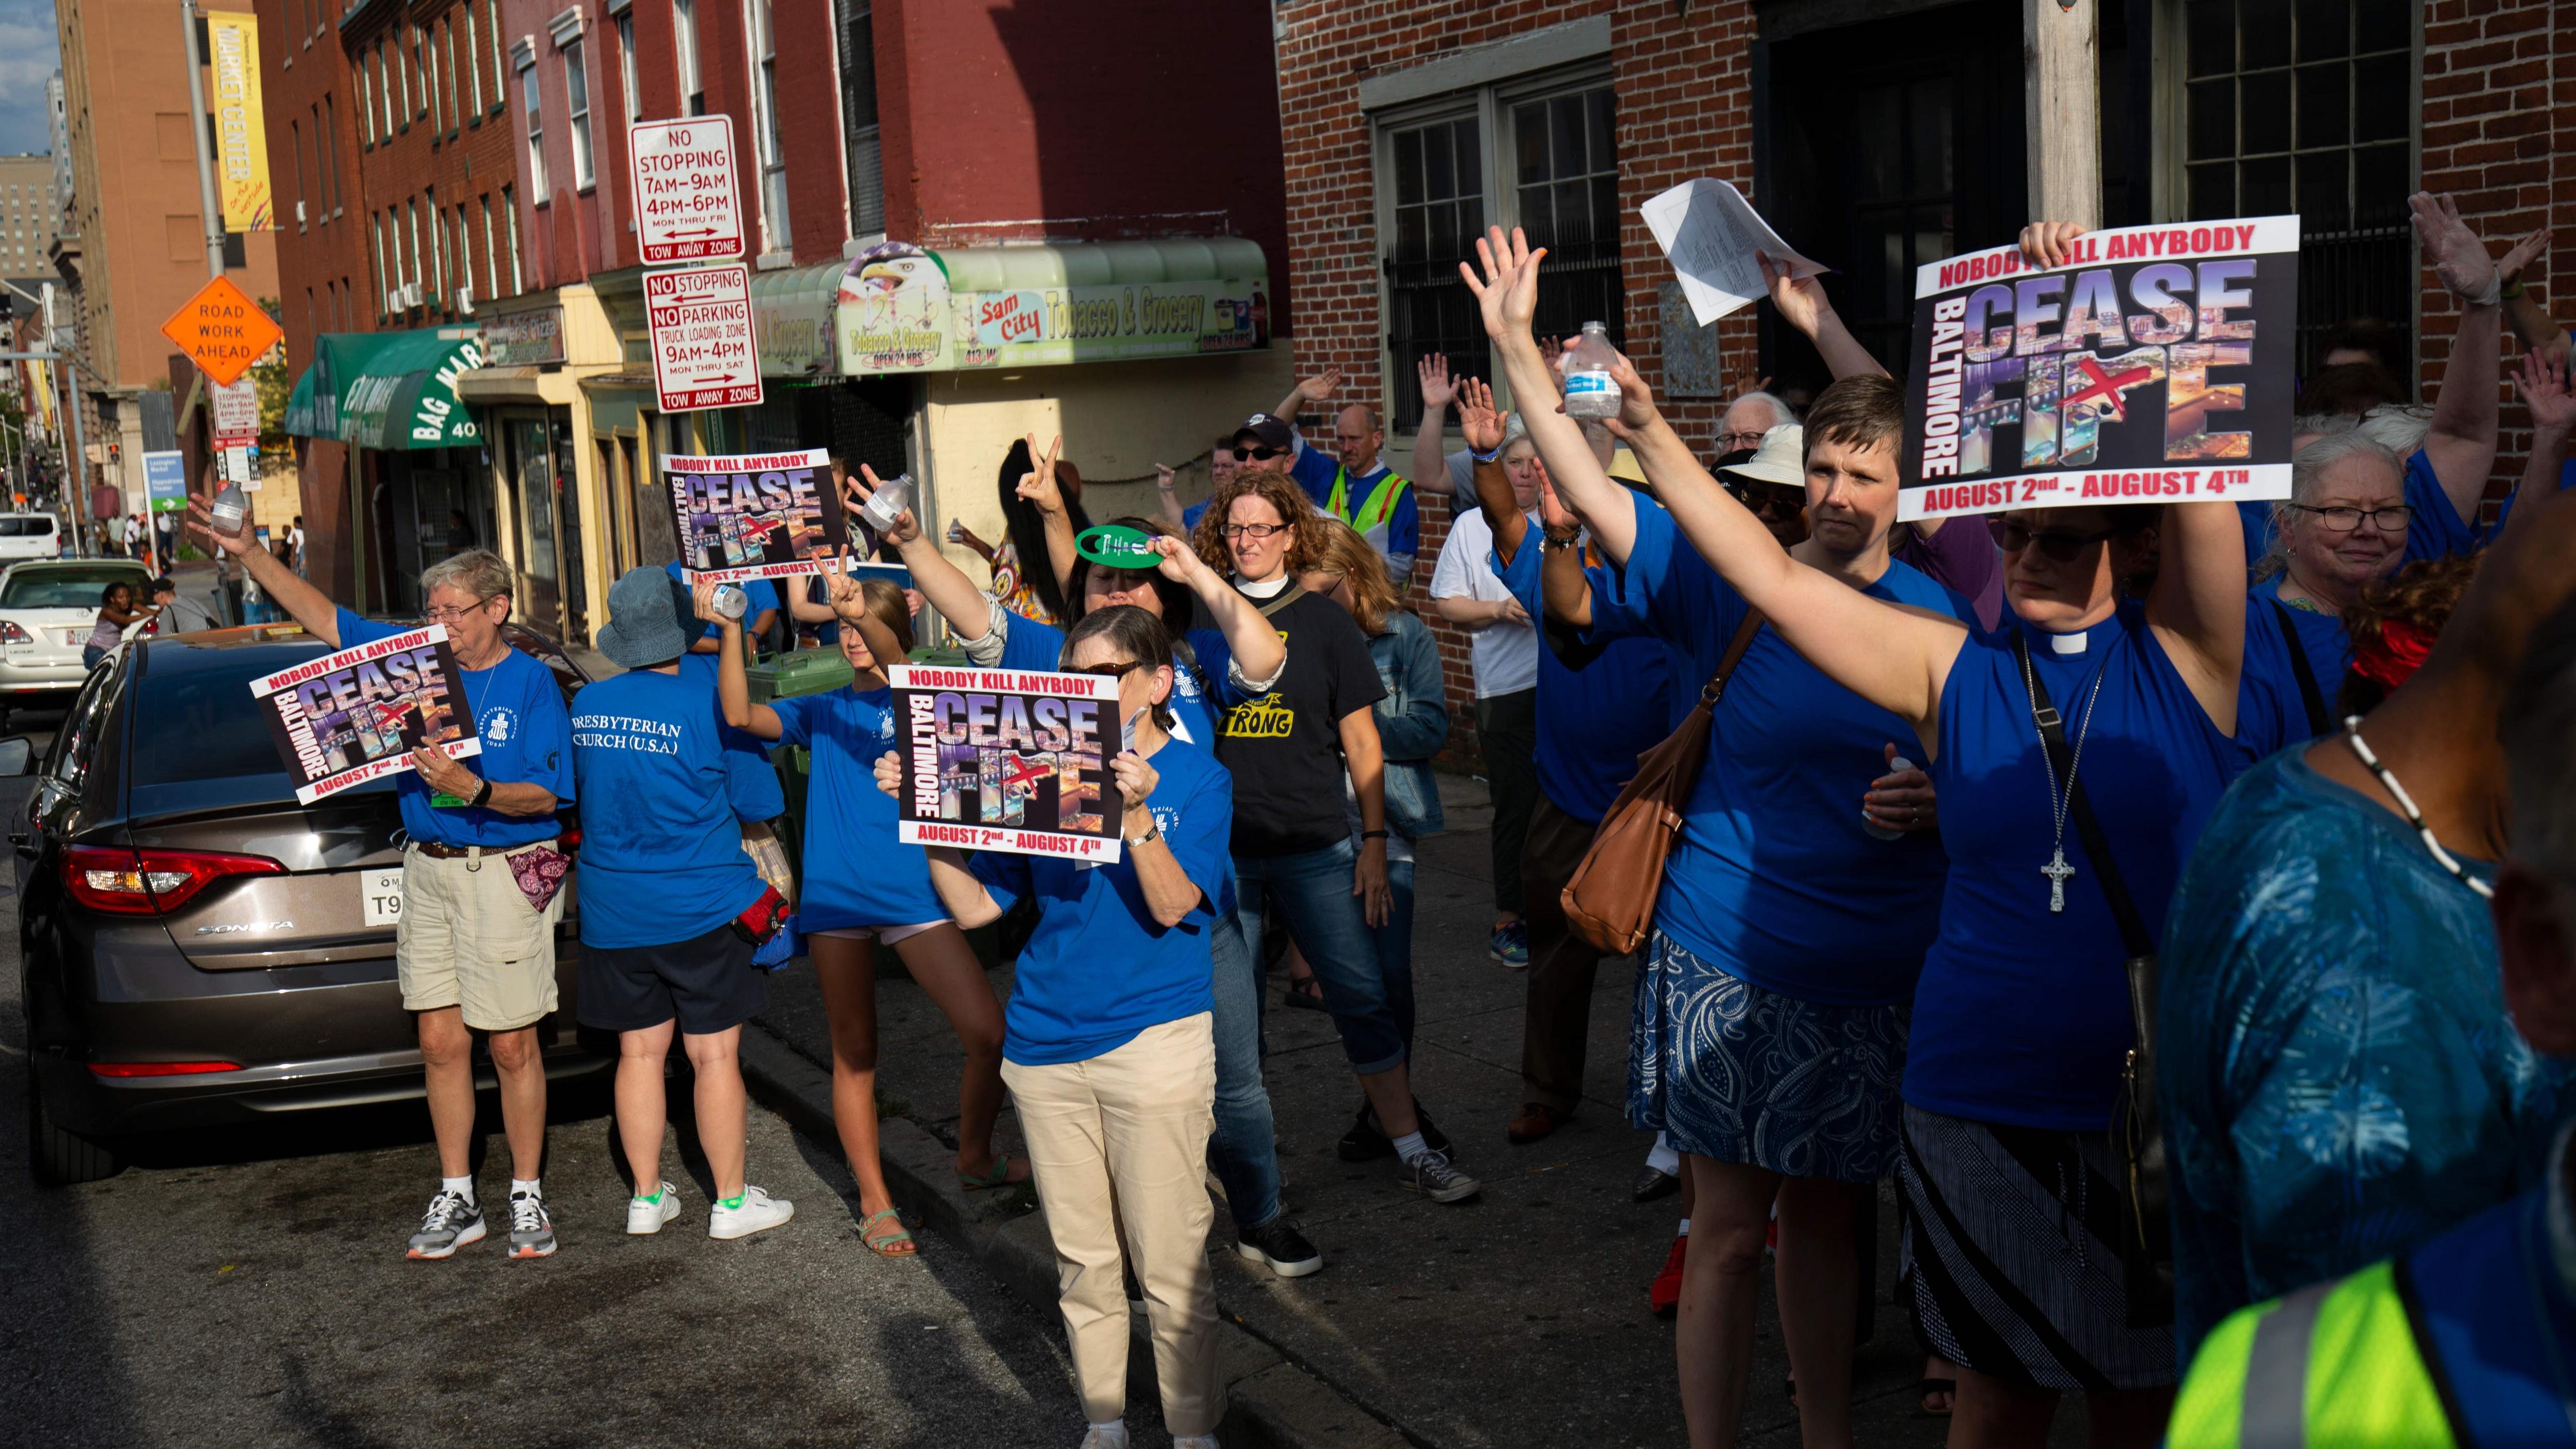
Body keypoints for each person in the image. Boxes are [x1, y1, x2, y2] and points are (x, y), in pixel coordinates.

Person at [1468, 217, 2246, 1442]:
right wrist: (1646, 429)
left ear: (2131, 546)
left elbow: (2205, 471)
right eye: (2021, 534)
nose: (2033, 554)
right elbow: (1770, 582)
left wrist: (2084, 315)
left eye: (2064, 537)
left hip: (2128, 1091)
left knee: (2137, 1397)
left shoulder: (2189, 668)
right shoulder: (1956, 671)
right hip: (1968, 1086)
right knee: (1993, 1394)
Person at [1524, 360, 1970, 1446]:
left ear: (1909, 491)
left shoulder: (1938, 612)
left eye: (1863, 474)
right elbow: (1588, 486)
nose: (1834, 493)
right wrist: (1516, 343)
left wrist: (1936, 797)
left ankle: (1825, 1433)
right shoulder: (1733, 576)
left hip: (1871, 964)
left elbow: (1996, 782)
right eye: (1820, 467)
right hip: (1727, 941)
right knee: (1725, 1231)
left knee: (1823, 1220)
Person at [2160, 449, 2576, 1362]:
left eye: (2382, 511)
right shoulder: (2364, 968)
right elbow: (2369, 1361)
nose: (2364, 527)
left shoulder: (2310, 796)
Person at [853, 466, 1319, 1277]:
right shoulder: (1064, 661)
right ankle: (1133, 1255)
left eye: (1136, 582)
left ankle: (1259, 1214)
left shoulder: (1195, 659)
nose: (1119, 593)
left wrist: (1194, 567)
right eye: (1102, 579)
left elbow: (1267, 653)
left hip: (1193, 911)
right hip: (1091, 912)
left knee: (1237, 1084)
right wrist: (910, 542)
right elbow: (972, 614)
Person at [876, 606, 1233, 1449]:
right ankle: (1102, 1422)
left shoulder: (1194, 777)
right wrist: (926, 815)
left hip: (1153, 1042)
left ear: (1154, 682)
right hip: (1044, 1044)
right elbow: (975, 908)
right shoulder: (1040, 765)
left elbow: (1179, 903)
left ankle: (1192, 1430)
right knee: (1083, 1258)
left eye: (1101, 677)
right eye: (1070, 678)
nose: (1080, 695)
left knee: (1171, 1264)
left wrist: (1136, 816)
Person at [185, 500, 577, 1260]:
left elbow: (551, 795)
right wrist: (247, 553)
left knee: (511, 1046)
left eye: (455, 611)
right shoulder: (415, 654)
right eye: (432, 610)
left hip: (498, 868)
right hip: (426, 872)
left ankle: (526, 1194)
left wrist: (477, 791)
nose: (442, 623)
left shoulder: (531, 683)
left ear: (497, 608)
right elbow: (327, 619)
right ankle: (458, 1193)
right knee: (438, 1040)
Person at [702, 557, 1027, 1255]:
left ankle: (972, 1159)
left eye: (865, 623)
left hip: (918, 893)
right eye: (846, 623)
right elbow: (737, 713)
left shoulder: (923, 695)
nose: (852, 635)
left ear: (892, 627)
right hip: (838, 896)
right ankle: (875, 1199)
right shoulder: (820, 706)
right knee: (855, 1054)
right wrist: (731, 625)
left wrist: (853, 609)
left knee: (988, 1034)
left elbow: (894, 661)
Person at [1190, 467, 1480, 1204]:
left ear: (1291, 535)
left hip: (1317, 844)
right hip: (1227, 854)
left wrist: (1375, 842)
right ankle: (1253, 1171)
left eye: (1262, 527)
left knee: (1360, 994)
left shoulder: (1322, 622)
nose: (1247, 540)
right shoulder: (1199, 620)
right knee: (1233, 1017)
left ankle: (1409, 1145)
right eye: (1235, 528)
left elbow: (1362, 742)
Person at [576, 567, 794, 1243]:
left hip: (613, 909)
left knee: (638, 1054)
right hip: (701, 904)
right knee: (714, 1056)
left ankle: (645, 1196)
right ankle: (729, 1203)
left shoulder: (586, 704)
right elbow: (762, 802)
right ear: (684, 625)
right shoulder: (705, 703)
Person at [1311, 516, 1447, 1081]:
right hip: (1317, 830)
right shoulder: (1295, 639)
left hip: (1386, 826)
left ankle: (1396, 1103)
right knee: (1348, 982)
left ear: (1350, 574)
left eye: (1318, 588)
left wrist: (1354, 726)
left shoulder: (1404, 634)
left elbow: (1430, 729)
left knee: (1390, 973)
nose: (1309, 601)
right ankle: (1382, 1106)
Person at [1427, 425, 1540, 968]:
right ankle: (1510, 917)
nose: (1524, 472)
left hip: (1568, 684)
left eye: (1533, 462)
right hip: (1505, 689)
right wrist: (1498, 610)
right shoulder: (1472, 527)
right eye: (1514, 462)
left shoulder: (1566, 520)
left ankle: (1565, 908)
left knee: (1565, 801)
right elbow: (1447, 602)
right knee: (1516, 806)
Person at [663, 557, 777, 654]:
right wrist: (731, 644)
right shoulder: (674, 573)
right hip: (701, 672)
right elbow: (674, 636)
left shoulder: (745, 563)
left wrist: (753, 635)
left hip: (748, 659)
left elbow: (768, 607)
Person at [83, 579, 157, 666]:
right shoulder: (107, 611)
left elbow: (151, 611)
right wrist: (148, 614)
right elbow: (124, 620)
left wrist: (160, 612)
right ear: (112, 599)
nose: (125, 600)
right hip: (95, 651)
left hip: (112, 650)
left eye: (128, 597)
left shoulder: (130, 606)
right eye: (121, 598)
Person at [148, 575, 217, 634]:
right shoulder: (191, 601)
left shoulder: (167, 613)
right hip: (216, 634)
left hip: (199, 644)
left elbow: (164, 643)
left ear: (161, 595)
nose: (154, 600)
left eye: (154, 596)